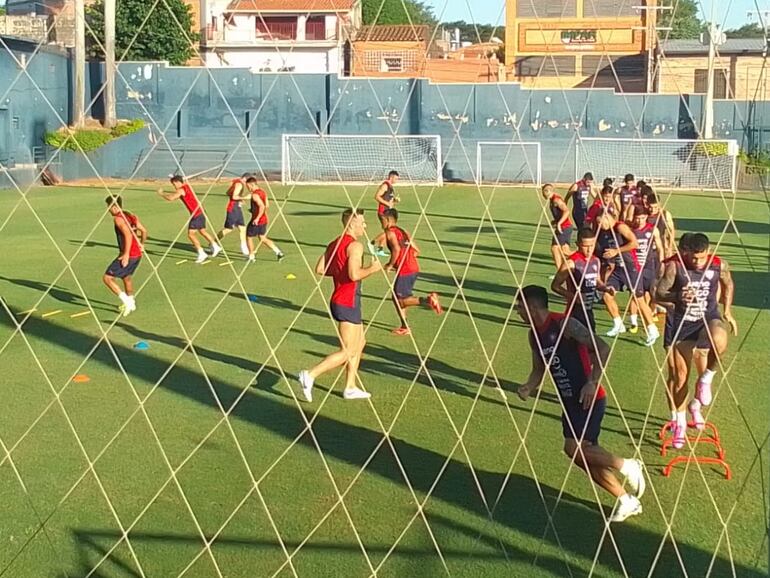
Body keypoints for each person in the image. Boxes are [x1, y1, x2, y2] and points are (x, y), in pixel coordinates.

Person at [515, 285, 645, 523]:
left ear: (532, 307)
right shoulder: (534, 335)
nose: (517, 312)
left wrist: (592, 382)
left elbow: (602, 348)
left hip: (590, 398)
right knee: (582, 457)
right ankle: (626, 500)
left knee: (573, 448)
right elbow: (538, 369)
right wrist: (528, 386)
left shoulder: (564, 324)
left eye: (519, 307)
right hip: (569, 403)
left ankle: (628, 465)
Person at [655, 233, 737, 448]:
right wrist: (678, 296)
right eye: (694, 258)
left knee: (719, 338)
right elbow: (658, 293)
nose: (699, 262)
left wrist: (727, 311)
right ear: (685, 253)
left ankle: (706, 379)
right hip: (682, 324)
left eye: (702, 257)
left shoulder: (718, 264)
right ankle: (680, 421)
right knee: (680, 377)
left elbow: (728, 283)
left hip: (707, 318)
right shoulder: (675, 267)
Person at [298, 209, 382, 402]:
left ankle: (350, 387)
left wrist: (340, 271)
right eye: (362, 221)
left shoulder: (335, 243)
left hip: (342, 299)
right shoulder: (355, 246)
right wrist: (373, 268)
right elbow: (354, 275)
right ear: (351, 223)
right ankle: (310, 374)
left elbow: (320, 269)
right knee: (348, 350)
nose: (365, 225)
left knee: (360, 343)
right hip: (347, 301)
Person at [596, 214, 660, 346]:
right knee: (607, 294)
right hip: (618, 269)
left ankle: (652, 330)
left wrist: (616, 251)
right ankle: (618, 325)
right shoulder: (606, 232)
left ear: (608, 217)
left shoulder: (620, 227)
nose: (601, 226)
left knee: (639, 300)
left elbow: (634, 243)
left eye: (601, 222)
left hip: (631, 268)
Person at [380, 209, 442, 335]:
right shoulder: (404, 232)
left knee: (401, 300)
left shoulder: (390, 233)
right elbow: (416, 251)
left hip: (405, 270)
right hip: (413, 267)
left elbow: (396, 249)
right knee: (396, 297)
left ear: (387, 220)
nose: (381, 223)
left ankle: (427, 300)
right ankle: (404, 326)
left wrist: (390, 265)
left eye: (381, 220)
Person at [551, 227, 609, 332]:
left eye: (591, 246)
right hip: (575, 312)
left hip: (589, 310)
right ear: (577, 244)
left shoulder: (596, 261)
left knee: (592, 343)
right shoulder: (571, 263)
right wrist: (574, 297)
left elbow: (596, 280)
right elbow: (555, 286)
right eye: (585, 246)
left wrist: (605, 288)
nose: (589, 249)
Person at [157, 175, 221, 263]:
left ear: (177, 182)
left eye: (174, 184)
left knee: (191, 234)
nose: (174, 186)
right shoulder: (187, 186)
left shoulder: (181, 189)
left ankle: (201, 252)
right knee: (202, 231)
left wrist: (161, 194)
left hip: (196, 214)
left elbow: (171, 198)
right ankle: (215, 246)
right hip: (200, 211)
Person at [103, 195, 147, 317]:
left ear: (113, 206)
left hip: (129, 254)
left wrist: (126, 254)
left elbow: (127, 235)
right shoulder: (130, 216)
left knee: (107, 278)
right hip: (137, 254)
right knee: (126, 277)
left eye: (109, 207)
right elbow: (144, 231)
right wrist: (142, 245)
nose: (108, 210)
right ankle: (131, 302)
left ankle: (127, 301)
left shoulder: (118, 219)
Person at [627, 206, 664, 334]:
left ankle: (649, 313)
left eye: (642, 218)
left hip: (649, 266)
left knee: (651, 293)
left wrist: (662, 263)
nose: (640, 221)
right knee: (635, 295)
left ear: (646, 217)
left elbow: (659, 248)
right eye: (637, 218)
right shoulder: (630, 230)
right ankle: (633, 322)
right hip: (634, 267)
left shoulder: (652, 230)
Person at [245, 177, 284, 262]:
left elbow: (262, 206)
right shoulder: (263, 192)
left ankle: (251, 256)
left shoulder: (255, 195)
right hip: (264, 220)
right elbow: (267, 205)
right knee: (262, 238)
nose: (248, 189)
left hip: (256, 220)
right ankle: (278, 252)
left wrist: (257, 218)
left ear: (252, 184)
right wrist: (255, 211)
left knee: (249, 237)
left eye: (248, 187)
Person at [217, 173, 251, 256]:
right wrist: (244, 198)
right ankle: (213, 242)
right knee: (228, 229)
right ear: (245, 179)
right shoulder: (239, 184)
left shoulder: (236, 183)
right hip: (233, 209)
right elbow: (234, 197)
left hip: (237, 209)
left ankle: (244, 247)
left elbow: (228, 192)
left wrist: (239, 199)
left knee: (242, 228)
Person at [541, 184, 572, 270]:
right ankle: (570, 269)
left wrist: (559, 223)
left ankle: (560, 272)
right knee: (565, 250)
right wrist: (555, 221)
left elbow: (566, 211)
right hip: (565, 227)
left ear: (547, 192)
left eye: (543, 192)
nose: (542, 195)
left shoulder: (556, 200)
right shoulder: (551, 200)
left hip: (564, 227)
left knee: (555, 248)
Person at [371, 170, 400, 256]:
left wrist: (394, 201)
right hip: (383, 212)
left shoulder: (390, 187)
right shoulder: (385, 185)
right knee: (388, 231)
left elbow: (388, 200)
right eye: (395, 178)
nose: (396, 181)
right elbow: (377, 196)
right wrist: (387, 204)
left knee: (387, 230)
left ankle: (380, 249)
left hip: (387, 212)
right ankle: (372, 243)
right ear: (391, 177)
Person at [645, 193, 676, 259]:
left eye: (655, 207)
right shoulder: (643, 215)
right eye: (650, 207)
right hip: (647, 245)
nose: (653, 210)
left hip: (661, 245)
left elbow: (671, 231)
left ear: (659, 204)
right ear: (647, 204)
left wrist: (670, 247)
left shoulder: (665, 214)